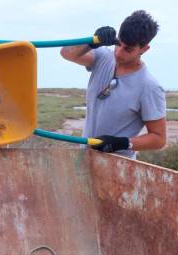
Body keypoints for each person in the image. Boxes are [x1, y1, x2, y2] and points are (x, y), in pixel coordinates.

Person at [61, 10, 166, 158]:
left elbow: (159, 139)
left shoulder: (149, 87)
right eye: (118, 44)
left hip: (118, 167)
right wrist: (92, 42)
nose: (118, 53)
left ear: (144, 49)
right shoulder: (102, 56)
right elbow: (66, 53)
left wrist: (121, 143)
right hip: (85, 159)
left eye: (128, 49)